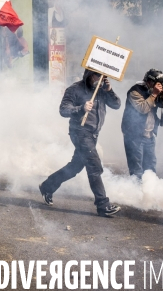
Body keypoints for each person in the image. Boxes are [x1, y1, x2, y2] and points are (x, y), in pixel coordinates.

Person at [39, 69, 122, 217]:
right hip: (80, 132)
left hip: (93, 134)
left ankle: (47, 186)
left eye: (104, 76)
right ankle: (103, 205)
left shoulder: (102, 89)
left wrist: (109, 90)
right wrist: (81, 108)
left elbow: (116, 105)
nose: (101, 79)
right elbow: (63, 110)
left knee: (75, 166)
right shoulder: (75, 89)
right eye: (98, 75)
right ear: (89, 75)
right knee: (94, 166)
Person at [121, 69, 163, 179]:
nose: (161, 86)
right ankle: (136, 193)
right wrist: (154, 94)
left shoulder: (153, 92)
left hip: (149, 135)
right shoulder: (135, 91)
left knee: (150, 168)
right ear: (150, 82)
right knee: (136, 170)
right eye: (159, 84)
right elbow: (143, 108)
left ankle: (148, 193)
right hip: (134, 136)